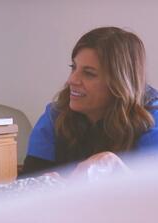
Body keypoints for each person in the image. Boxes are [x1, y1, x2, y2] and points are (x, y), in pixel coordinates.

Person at [22, 27, 158, 178]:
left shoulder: (152, 118)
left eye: (89, 73)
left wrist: (119, 168)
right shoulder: (55, 115)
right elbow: (28, 182)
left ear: (120, 83)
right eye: (73, 67)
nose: (71, 80)